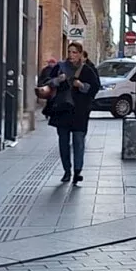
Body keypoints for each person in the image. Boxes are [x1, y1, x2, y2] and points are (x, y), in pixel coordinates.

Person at [42, 41, 100, 184]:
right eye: (69, 52)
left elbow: (95, 88)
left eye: (74, 52)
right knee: (63, 142)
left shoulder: (87, 70)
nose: (71, 55)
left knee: (79, 141)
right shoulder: (60, 67)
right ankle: (67, 170)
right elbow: (47, 82)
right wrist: (57, 80)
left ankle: (77, 171)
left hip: (80, 112)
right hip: (62, 110)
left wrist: (81, 85)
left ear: (80, 54)